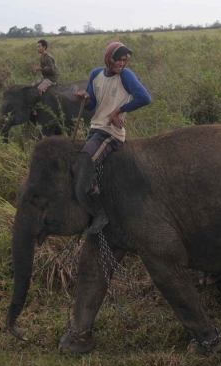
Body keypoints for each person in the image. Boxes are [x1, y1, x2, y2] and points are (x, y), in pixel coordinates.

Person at [74, 42, 151, 235]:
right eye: (119, 59)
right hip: (95, 128)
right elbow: (92, 104)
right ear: (109, 58)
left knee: (85, 161)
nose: (122, 63)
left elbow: (144, 97)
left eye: (125, 60)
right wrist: (85, 97)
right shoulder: (96, 74)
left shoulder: (126, 76)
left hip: (110, 132)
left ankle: (100, 213)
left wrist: (120, 109)